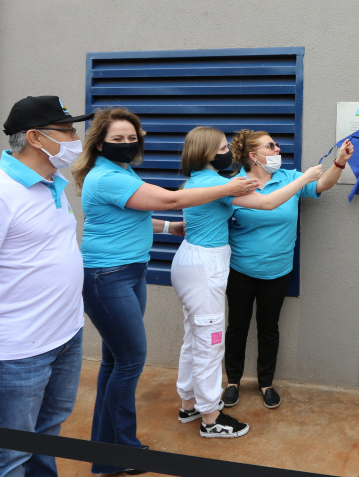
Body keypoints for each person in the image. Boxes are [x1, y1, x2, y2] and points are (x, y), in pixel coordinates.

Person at [70, 108, 260, 473]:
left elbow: (136, 213)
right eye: (118, 139)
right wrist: (231, 186)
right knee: (129, 363)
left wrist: (168, 228)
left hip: (127, 273)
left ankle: (106, 452)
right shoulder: (107, 176)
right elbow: (171, 199)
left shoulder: (121, 172)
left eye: (132, 138)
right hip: (107, 276)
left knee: (115, 363)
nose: (127, 144)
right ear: (100, 143)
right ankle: (120, 452)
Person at [171, 126, 322, 439]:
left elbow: (193, 220)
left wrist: (164, 227)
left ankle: (188, 405)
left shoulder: (201, 180)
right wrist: (304, 178)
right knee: (210, 344)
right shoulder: (221, 183)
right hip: (205, 267)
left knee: (193, 339)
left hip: (191, 261)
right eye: (223, 147)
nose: (230, 151)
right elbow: (267, 204)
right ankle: (211, 417)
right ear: (208, 154)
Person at [0, 96, 92, 476]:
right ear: (36, 138)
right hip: (18, 351)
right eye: (68, 130)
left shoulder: (53, 182)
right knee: (6, 456)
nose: (76, 137)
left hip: (65, 336)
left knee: (47, 434)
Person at [221, 130, 353, 409]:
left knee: (269, 328)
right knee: (237, 326)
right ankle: (232, 381)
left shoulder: (291, 178)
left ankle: (266, 383)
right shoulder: (235, 185)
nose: (278, 149)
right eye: (270, 146)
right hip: (240, 270)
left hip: (278, 270)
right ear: (253, 156)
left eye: (277, 144)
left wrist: (339, 162)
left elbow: (322, 185)